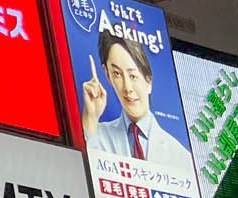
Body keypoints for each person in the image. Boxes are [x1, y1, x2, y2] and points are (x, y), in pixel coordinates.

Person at [81, 30, 197, 181]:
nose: (127, 87)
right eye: (117, 74)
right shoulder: (95, 135)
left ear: (148, 82)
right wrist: (90, 119)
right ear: (107, 75)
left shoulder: (181, 158)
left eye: (133, 76)